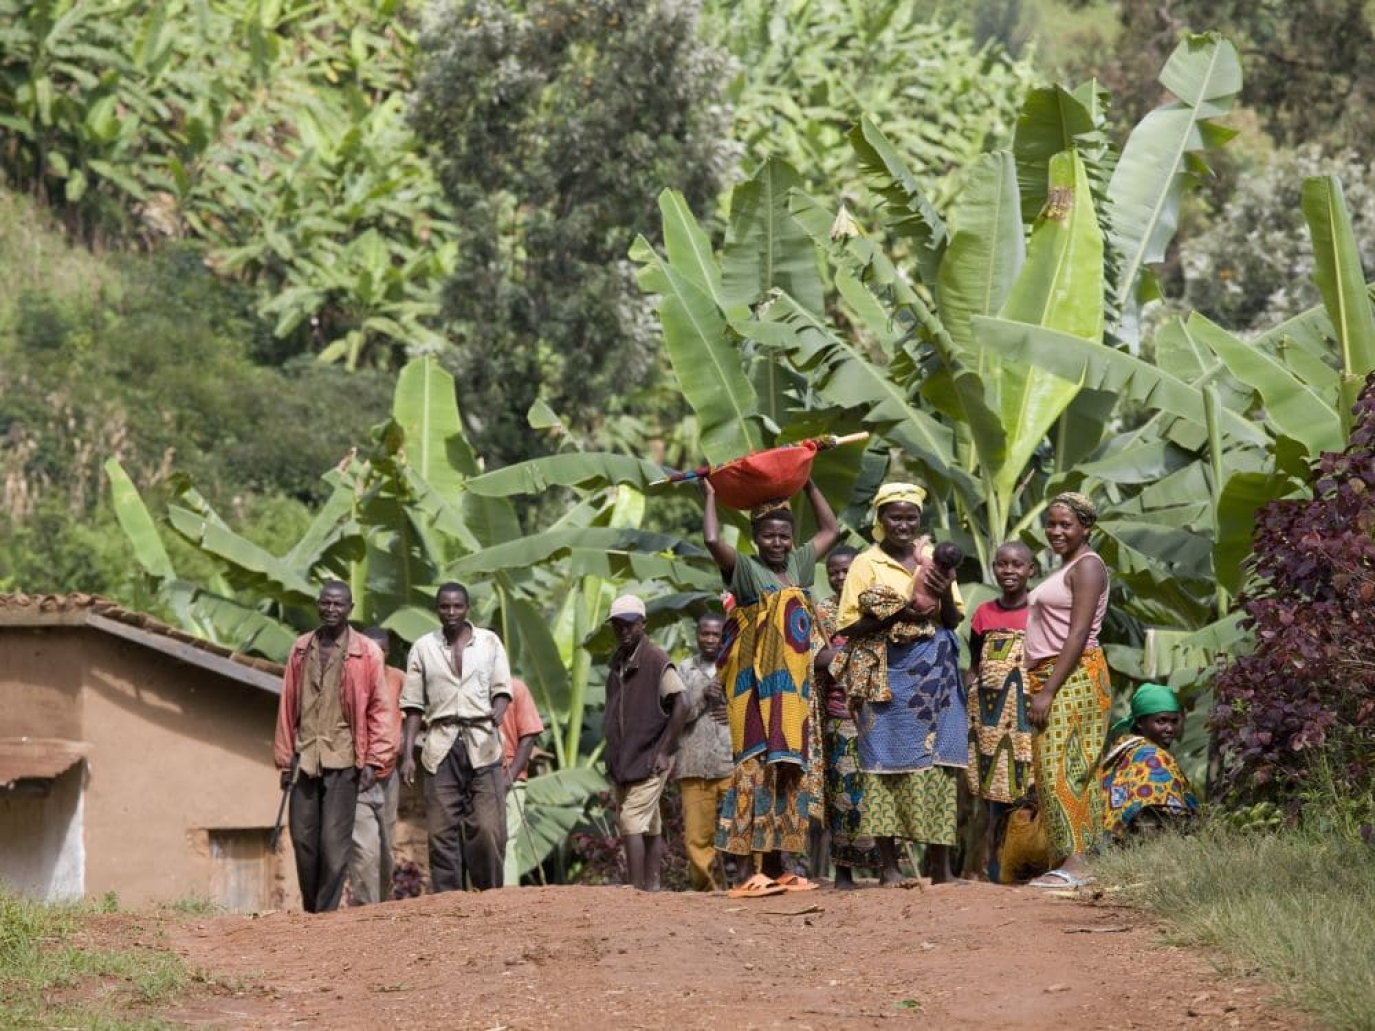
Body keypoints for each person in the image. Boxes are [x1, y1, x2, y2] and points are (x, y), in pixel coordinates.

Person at [703, 478, 840, 898]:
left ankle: (779, 868)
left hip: (792, 693)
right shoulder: (747, 571)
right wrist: (710, 495)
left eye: (783, 535)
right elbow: (711, 539)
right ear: (755, 538)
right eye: (768, 536)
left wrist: (809, 481)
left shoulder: (797, 566)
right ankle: (746, 873)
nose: (777, 542)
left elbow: (831, 530)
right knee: (753, 772)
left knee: (787, 774)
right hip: (753, 692)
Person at [834, 482, 966, 887]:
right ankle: (890, 868)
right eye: (895, 517)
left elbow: (953, 619)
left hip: (938, 675)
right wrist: (900, 613)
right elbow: (848, 627)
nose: (903, 525)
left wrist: (942, 596)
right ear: (880, 519)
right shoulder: (865, 563)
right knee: (883, 763)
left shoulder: (933, 558)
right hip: (889, 675)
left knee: (942, 763)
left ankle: (941, 868)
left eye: (911, 517)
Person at [273, 581, 394, 913]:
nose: (331, 609)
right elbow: (287, 705)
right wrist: (284, 758)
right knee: (303, 839)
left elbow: (380, 710)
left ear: (350, 608)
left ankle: (325, 913)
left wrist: (374, 761)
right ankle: (313, 910)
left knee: (333, 843)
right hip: (304, 758)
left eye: (339, 604)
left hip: (344, 759)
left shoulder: (366, 652)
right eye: (326, 603)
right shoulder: (301, 649)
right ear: (317, 605)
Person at [1023, 492, 1112, 889]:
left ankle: (1078, 865)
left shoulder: (1088, 566)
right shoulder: (1069, 566)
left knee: (1065, 765)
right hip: (1053, 675)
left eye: (1066, 524)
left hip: (1073, 676)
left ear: (1086, 527)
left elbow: (1078, 634)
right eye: (1051, 523)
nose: (1056, 531)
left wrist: (1048, 691)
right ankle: (1071, 861)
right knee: (1056, 767)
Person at [399, 582, 512, 893]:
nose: (451, 612)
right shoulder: (423, 647)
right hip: (440, 744)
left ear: (467, 609)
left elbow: (502, 688)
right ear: (437, 609)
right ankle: (449, 900)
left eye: (457, 606)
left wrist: (499, 709)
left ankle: (489, 895)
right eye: (445, 607)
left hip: (482, 744)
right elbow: (412, 706)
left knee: (487, 828)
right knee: (440, 832)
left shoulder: (489, 642)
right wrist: (407, 756)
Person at [604, 595, 690, 891]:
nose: (624, 631)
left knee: (630, 820)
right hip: (626, 757)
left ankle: (636, 889)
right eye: (618, 625)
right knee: (649, 822)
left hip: (651, 753)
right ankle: (652, 886)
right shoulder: (618, 662)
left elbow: (682, 703)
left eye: (630, 624)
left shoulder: (655, 659)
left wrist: (665, 750)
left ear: (643, 624)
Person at [966, 542, 1036, 883]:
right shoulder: (983, 613)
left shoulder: (1040, 612)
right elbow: (975, 665)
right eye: (1002, 564)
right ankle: (995, 875)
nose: (1009, 571)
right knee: (994, 798)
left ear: (1031, 570)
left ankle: (1029, 867)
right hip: (989, 720)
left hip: (1028, 717)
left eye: (1017, 564)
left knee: (1030, 791)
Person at [813, 545, 880, 889]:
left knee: (879, 793)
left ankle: (886, 870)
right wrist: (850, 656)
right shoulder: (822, 612)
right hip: (839, 718)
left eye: (846, 571)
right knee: (842, 795)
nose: (840, 577)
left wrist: (843, 655)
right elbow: (815, 658)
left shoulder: (875, 608)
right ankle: (843, 872)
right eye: (834, 572)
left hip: (877, 715)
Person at [674, 612, 735, 891]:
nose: (710, 639)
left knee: (743, 829)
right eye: (705, 633)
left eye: (716, 634)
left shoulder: (737, 665)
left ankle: (748, 883)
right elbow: (674, 715)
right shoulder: (684, 670)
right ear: (696, 635)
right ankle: (705, 891)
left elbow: (754, 709)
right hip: (694, 764)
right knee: (697, 838)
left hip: (731, 763)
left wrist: (731, 710)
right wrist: (701, 695)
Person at [348, 626, 406, 905]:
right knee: (365, 850)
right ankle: (365, 909)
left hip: (388, 775)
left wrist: (407, 752)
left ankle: (380, 909)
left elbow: (413, 715)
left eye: (380, 649)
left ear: (388, 652)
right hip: (359, 777)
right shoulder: (350, 677)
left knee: (386, 851)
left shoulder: (398, 679)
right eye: (370, 648)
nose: (375, 654)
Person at [1100, 682, 1199, 836]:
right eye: (1161, 721)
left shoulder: (1126, 749)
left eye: (1174, 721)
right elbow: (1151, 819)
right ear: (1140, 722)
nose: (1170, 729)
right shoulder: (1153, 757)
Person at [500, 675, 546, 886]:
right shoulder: (471, 687)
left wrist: (510, 776)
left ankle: (506, 895)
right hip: (479, 778)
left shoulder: (515, 688)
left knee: (507, 840)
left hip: (510, 775)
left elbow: (528, 736)